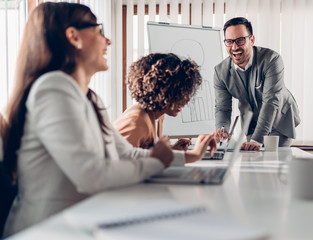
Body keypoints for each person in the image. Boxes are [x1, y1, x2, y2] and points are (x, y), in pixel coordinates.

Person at [1, 2, 216, 236]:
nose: (108, 41)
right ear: (74, 37)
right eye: (99, 31)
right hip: (47, 230)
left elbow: (128, 154)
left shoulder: (90, 98)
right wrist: (156, 162)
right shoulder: (53, 88)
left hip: (82, 221)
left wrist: (189, 157)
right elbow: (92, 175)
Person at [214, 17, 301, 151]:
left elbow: (271, 102)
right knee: (252, 161)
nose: (235, 47)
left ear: (252, 40)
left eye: (240, 40)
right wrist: (222, 131)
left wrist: (256, 140)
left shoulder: (272, 60)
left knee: (273, 161)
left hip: (279, 120)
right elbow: (223, 108)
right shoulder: (220, 71)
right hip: (252, 122)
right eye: (229, 41)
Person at [114, 53, 201, 152]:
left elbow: (141, 155)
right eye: (179, 93)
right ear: (161, 91)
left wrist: (171, 151)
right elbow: (114, 163)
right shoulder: (137, 121)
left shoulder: (158, 116)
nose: (186, 99)